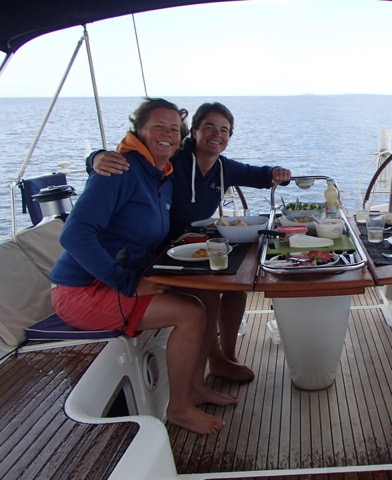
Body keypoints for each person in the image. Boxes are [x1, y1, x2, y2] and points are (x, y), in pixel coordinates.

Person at [50, 98, 238, 435]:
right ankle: (179, 408)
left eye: (173, 129)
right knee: (190, 313)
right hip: (84, 291)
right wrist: (126, 282)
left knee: (208, 295)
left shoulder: (159, 174)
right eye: (158, 127)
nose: (167, 134)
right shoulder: (120, 170)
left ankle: (196, 386)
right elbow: (74, 235)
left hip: (129, 277)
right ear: (139, 131)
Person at [90, 101, 291, 382]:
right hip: (161, 253)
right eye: (209, 127)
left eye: (224, 130)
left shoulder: (224, 168)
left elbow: (260, 174)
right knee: (208, 292)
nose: (216, 134)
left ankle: (227, 356)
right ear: (194, 132)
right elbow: (131, 161)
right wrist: (95, 157)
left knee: (236, 288)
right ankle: (214, 359)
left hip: (194, 244)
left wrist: (278, 173)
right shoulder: (173, 159)